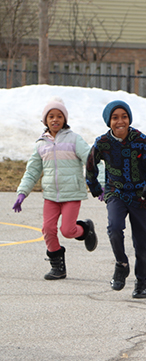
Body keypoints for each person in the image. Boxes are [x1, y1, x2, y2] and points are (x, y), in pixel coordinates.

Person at [13, 98, 98, 280]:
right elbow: (32, 171)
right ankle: (57, 267)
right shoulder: (40, 144)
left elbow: (91, 161)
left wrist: (102, 183)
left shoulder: (74, 139)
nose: (55, 119)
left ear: (64, 119)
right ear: (45, 120)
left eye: (59, 116)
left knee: (67, 230)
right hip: (51, 196)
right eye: (51, 116)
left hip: (72, 194)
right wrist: (22, 193)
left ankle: (85, 229)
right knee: (48, 229)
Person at [86, 100, 146, 298]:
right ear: (108, 121)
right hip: (116, 192)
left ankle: (142, 281)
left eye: (124, 117)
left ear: (129, 119)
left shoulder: (141, 140)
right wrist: (94, 187)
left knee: (141, 242)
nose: (120, 121)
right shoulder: (102, 142)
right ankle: (121, 264)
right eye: (115, 118)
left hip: (140, 196)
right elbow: (90, 165)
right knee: (114, 228)